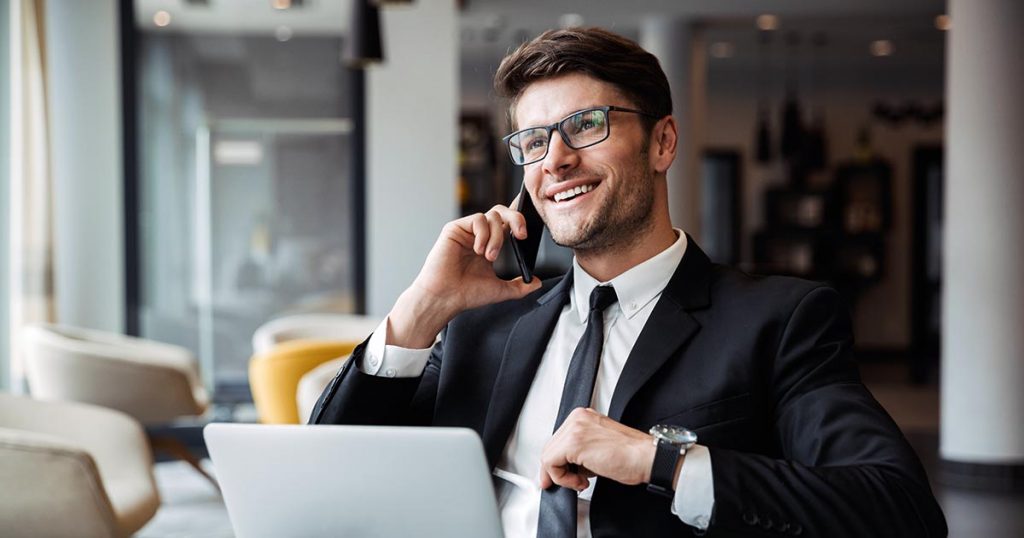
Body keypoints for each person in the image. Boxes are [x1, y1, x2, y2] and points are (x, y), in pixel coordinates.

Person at [311, 27, 947, 537]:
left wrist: (661, 463)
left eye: (586, 125)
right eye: (532, 141)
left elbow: (898, 509)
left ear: (662, 142)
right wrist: (420, 311)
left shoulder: (780, 321)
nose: (554, 159)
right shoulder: (482, 327)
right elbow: (326, 479)